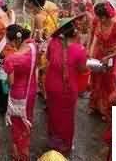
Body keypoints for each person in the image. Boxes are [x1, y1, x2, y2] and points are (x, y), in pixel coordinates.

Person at [45, 17, 88, 155]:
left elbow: (48, 58)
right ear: (75, 32)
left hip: (51, 84)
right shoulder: (79, 49)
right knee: (67, 118)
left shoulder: (53, 42)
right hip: (67, 88)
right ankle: (64, 145)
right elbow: (82, 70)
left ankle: (53, 140)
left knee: (53, 113)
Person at [89, 2, 116, 121]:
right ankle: (95, 105)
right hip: (100, 54)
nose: (96, 18)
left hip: (113, 56)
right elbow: (95, 40)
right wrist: (91, 54)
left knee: (109, 82)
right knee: (95, 78)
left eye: (98, 16)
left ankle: (107, 110)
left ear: (104, 17)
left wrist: (109, 56)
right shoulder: (98, 22)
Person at [2, 25, 37, 161]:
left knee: (17, 124)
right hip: (31, 89)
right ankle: (25, 148)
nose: (8, 44)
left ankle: (18, 153)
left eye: (9, 41)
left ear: (15, 40)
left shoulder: (12, 58)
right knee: (27, 119)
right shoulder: (33, 45)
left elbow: (10, 82)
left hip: (18, 94)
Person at [23, 0, 59, 98]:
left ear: (33, 3)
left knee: (42, 72)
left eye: (28, 2)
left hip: (43, 48)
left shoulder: (38, 16)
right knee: (47, 72)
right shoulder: (47, 11)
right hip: (52, 44)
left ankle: (45, 95)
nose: (27, 4)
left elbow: (38, 37)